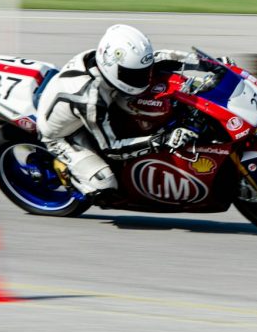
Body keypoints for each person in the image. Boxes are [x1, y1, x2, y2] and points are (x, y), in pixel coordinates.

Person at [35, 24, 199, 202]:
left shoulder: (111, 60)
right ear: (111, 67)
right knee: (105, 185)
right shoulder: (91, 98)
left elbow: (162, 57)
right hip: (63, 135)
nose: (144, 78)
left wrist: (209, 63)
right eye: (133, 75)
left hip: (90, 109)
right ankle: (68, 173)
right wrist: (163, 140)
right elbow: (113, 148)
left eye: (144, 72)